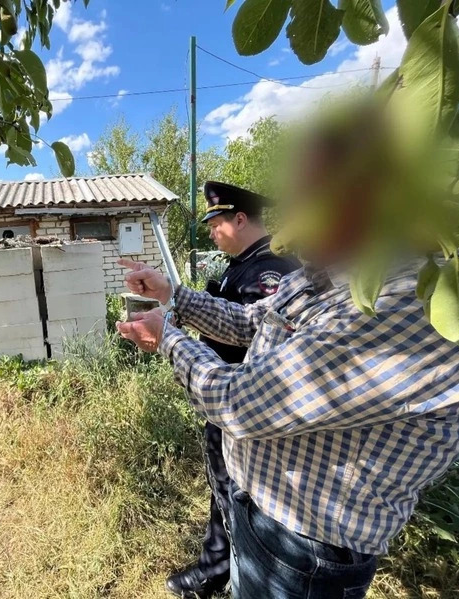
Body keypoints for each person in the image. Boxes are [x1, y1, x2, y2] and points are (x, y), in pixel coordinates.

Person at [114, 148, 459, 597]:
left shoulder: (408, 302)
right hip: (265, 513)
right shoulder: (339, 274)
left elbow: (238, 402)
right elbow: (251, 321)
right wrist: (173, 295)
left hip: (304, 548)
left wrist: (168, 338)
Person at [165, 181, 298, 598]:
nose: (210, 232)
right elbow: (229, 319)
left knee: (236, 494)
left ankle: (224, 574)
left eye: (215, 223)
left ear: (240, 219)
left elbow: (252, 337)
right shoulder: (242, 265)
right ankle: (220, 568)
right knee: (224, 489)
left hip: (243, 407)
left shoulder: (270, 272)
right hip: (225, 400)